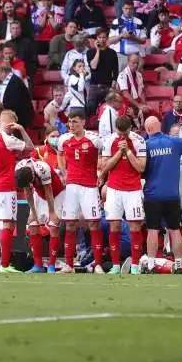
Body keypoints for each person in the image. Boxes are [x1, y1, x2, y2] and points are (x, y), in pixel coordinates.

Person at [142, 117, 182, 273]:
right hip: (172, 195)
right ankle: (177, 265)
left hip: (152, 194)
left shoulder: (146, 145)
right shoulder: (174, 142)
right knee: (175, 230)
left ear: (148, 130)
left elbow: (140, 170)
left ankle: (150, 266)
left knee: (153, 230)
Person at [0, 110, 34, 273]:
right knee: (7, 223)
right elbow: (31, 147)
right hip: (5, 186)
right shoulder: (8, 139)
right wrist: (22, 130)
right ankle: (4, 265)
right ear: (10, 122)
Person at [56, 111, 104, 273]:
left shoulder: (94, 139)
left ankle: (97, 264)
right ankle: (69, 264)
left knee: (93, 223)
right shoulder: (64, 139)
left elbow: (104, 156)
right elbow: (59, 154)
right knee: (70, 223)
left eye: (75, 122)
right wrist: (64, 172)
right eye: (70, 122)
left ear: (83, 122)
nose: (72, 125)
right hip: (71, 187)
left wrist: (101, 174)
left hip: (89, 186)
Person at [100, 115, 146, 275]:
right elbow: (105, 167)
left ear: (130, 129)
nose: (122, 137)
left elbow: (141, 168)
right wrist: (120, 152)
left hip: (133, 189)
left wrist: (128, 151)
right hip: (114, 188)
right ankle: (115, 265)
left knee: (135, 226)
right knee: (114, 226)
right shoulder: (108, 141)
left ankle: (134, 265)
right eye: (119, 134)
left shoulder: (139, 140)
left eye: (125, 134)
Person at [16, 156, 64, 273]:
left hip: (56, 193)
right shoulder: (19, 169)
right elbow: (28, 191)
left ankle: (51, 265)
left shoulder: (43, 168)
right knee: (33, 226)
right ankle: (38, 265)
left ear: (33, 175)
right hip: (39, 194)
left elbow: (48, 191)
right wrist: (32, 212)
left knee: (53, 226)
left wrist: (52, 212)